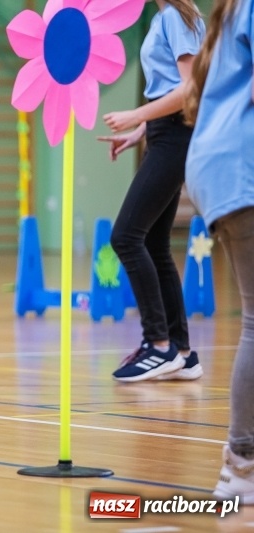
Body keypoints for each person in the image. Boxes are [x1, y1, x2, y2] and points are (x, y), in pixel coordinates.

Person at [97, 0, 205, 382]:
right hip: (164, 133)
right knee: (155, 245)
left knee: (125, 236)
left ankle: (158, 345)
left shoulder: (178, 17)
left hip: (176, 134)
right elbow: (172, 89)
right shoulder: (166, 17)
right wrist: (140, 132)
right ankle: (183, 352)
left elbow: (192, 89)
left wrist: (137, 114)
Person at [183, 0, 254, 503]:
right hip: (241, 168)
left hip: (217, 167)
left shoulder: (231, 11)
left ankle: (241, 466)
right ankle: (243, 464)